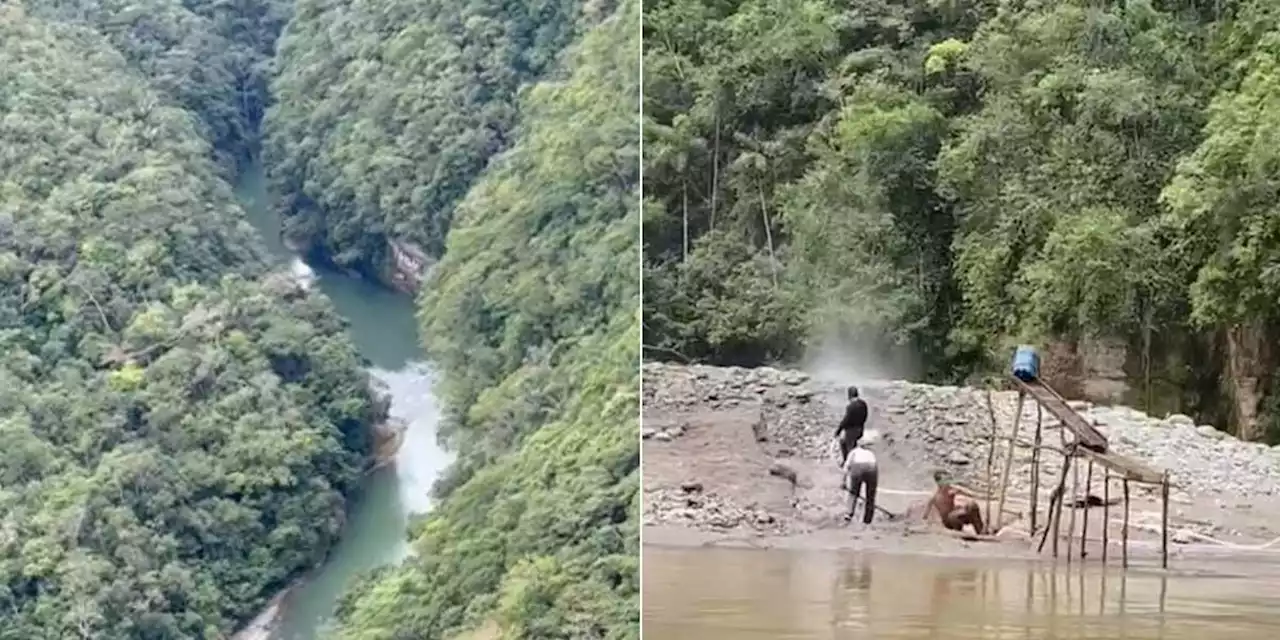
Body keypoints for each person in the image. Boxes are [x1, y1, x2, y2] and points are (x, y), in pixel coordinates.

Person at [922, 470, 986, 535]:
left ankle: (980, 531)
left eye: (949, 480)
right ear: (939, 483)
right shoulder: (935, 497)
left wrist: (979, 496)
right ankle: (960, 533)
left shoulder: (951, 491)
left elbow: (967, 493)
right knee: (953, 516)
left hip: (955, 515)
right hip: (949, 520)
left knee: (972, 506)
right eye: (945, 481)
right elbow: (926, 514)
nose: (948, 483)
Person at [843, 443, 878, 524]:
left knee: (853, 493)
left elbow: (847, 467)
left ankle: (849, 514)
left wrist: (843, 481)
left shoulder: (854, 452)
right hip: (871, 467)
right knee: (870, 495)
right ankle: (867, 519)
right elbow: (875, 468)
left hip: (857, 467)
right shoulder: (871, 453)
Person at [834, 385, 868, 466]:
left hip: (851, 432)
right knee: (853, 444)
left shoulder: (850, 407)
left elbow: (846, 420)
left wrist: (838, 431)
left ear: (849, 395)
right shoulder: (863, 404)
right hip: (860, 429)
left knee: (845, 444)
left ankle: (848, 463)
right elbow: (865, 416)